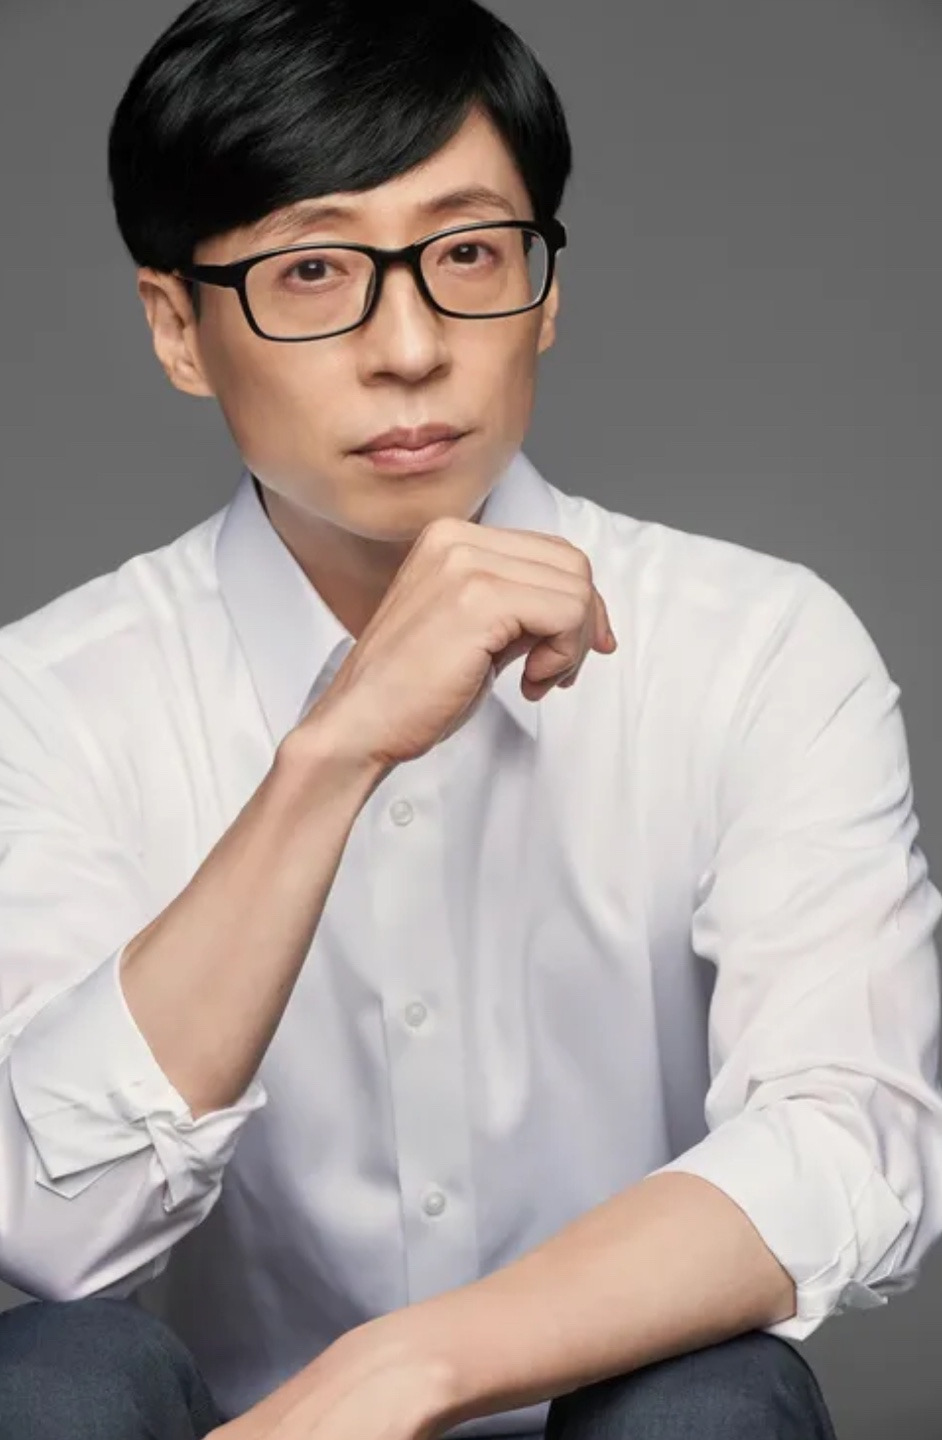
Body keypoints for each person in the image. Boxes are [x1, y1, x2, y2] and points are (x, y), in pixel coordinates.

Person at [0, 0, 940, 1436]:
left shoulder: (755, 645)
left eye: (467, 255)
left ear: (545, 290)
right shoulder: (51, 698)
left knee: (717, 1398)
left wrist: (404, 1368)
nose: (411, 345)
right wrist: (334, 752)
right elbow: (50, 1231)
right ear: (179, 329)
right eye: (313, 271)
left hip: (599, 1417)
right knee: (54, 1380)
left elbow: (852, 1142)